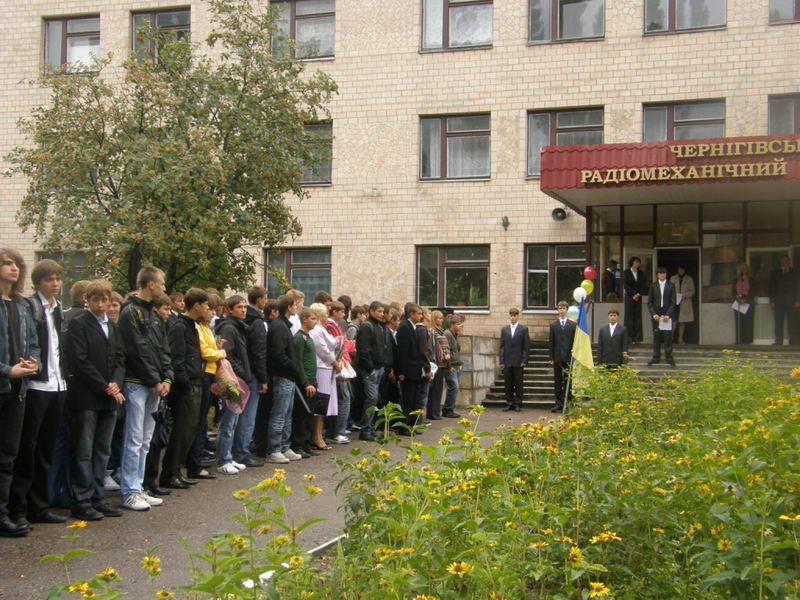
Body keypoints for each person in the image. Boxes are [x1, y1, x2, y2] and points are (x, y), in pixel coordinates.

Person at [9, 259, 68, 527]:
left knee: (46, 449)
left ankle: (39, 505)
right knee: (27, 450)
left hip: (58, 385)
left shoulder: (59, 309)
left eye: (57, 278)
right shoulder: (29, 306)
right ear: (38, 283)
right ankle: (19, 508)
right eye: (49, 279)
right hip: (36, 386)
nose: (55, 284)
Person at [64, 279, 125, 521]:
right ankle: (82, 500)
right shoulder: (79, 324)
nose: (101, 305)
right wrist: (105, 386)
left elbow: (120, 358)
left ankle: (99, 498)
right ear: (87, 300)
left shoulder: (112, 326)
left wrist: (115, 382)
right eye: (96, 300)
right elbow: (80, 361)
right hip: (87, 397)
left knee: (102, 450)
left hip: (108, 397)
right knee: (84, 451)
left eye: (104, 300)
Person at [118, 267, 172, 511]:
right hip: (137, 383)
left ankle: (139, 487)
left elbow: (163, 348)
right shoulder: (130, 312)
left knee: (146, 440)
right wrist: (155, 379)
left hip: (155, 385)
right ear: (151, 284)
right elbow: (137, 350)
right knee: (134, 438)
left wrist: (167, 378)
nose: (164, 287)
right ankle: (129, 491)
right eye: (162, 283)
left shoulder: (154, 314)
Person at [0, 248, 40, 537]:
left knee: (8, 456)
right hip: (5, 381)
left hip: (17, 392)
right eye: (6, 263)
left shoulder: (22, 305)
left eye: (17, 264)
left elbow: (34, 343)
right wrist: (7, 370)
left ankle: (4, 514)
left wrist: (33, 362)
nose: (14, 268)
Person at [159, 289, 209, 489]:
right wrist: (186, 385)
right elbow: (177, 359)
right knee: (181, 432)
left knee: (188, 432)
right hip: (186, 387)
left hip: (195, 382)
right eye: (205, 304)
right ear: (196, 305)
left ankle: (176, 472)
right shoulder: (180, 327)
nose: (207, 308)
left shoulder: (191, 326)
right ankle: (169, 474)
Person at [187, 294, 224, 480]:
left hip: (210, 373)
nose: (213, 312)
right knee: (199, 420)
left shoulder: (207, 328)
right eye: (209, 309)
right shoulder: (198, 328)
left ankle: (198, 458)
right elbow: (205, 352)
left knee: (202, 421)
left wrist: (217, 351)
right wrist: (220, 353)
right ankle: (194, 461)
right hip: (203, 374)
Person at [215, 295, 253, 474]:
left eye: (245, 307)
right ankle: (224, 459)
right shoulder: (229, 328)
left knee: (234, 419)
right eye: (239, 307)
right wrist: (240, 373)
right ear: (230, 310)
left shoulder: (237, 327)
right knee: (228, 421)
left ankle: (229, 456)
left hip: (238, 378)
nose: (243, 310)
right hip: (232, 379)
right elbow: (226, 354)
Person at [266, 294, 303, 464]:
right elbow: (278, 354)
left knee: (287, 414)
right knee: (279, 414)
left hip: (289, 376)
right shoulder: (279, 326)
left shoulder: (284, 325)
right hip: (282, 375)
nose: (297, 307)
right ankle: (274, 449)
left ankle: (284, 446)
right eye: (294, 305)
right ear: (288, 307)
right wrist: (294, 367)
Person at [308, 303, 342, 448]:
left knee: (324, 404)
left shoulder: (321, 329)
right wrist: (335, 362)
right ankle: (316, 436)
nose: (327, 316)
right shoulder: (316, 330)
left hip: (327, 368)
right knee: (320, 404)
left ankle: (318, 435)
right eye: (325, 314)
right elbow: (322, 350)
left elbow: (332, 344)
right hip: (322, 367)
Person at [355, 301, 386, 441]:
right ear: (372, 311)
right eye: (379, 311)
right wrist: (371, 368)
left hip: (379, 368)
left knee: (374, 400)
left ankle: (370, 427)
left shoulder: (378, 326)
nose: (382, 314)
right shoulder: (367, 326)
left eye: (383, 311)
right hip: (370, 370)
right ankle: (365, 429)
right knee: (371, 399)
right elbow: (364, 350)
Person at [394, 303, 423, 434]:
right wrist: (401, 371)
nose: (421, 316)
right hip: (408, 370)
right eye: (419, 314)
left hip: (414, 370)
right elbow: (402, 351)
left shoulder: (412, 326)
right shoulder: (404, 327)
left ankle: (411, 424)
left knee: (413, 400)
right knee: (407, 400)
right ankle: (404, 426)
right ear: (411, 314)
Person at [500, 307, 529, 413]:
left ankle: (518, 403)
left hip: (518, 361)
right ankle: (509, 403)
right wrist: (502, 361)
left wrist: (524, 360)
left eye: (514, 315)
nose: (512, 317)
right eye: (511, 315)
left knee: (518, 384)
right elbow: (502, 347)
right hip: (507, 361)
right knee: (508, 384)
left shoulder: (523, 329)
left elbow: (526, 346)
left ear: (518, 316)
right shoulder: (504, 329)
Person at [547, 302, 574, 413]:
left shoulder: (572, 325)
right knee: (557, 381)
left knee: (568, 381)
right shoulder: (554, 325)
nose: (562, 310)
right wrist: (551, 357)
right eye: (560, 308)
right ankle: (558, 403)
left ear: (567, 310)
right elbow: (551, 342)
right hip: (557, 357)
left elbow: (574, 341)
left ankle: (568, 403)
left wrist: (574, 355)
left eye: (564, 308)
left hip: (568, 357)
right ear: (558, 310)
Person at [647, 267, 677, 366]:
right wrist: (653, 314)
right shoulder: (653, 286)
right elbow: (649, 302)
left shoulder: (671, 285)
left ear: (666, 274)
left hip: (667, 315)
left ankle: (669, 357)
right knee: (656, 337)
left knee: (668, 337)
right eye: (660, 273)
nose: (662, 275)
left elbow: (673, 302)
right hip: (656, 315)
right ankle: (656, 357)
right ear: (657, 275)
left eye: (664, 273)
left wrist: (668, 314)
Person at [769, 255, 798, 345]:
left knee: (792, 322)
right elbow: (771, 287)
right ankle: (778, 341)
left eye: (787, 260)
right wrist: (772, 300)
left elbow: (798, 287)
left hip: (792, 302)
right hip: (778, 302)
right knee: (778, 322)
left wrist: (798, 300)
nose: (785, 262)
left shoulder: (795, 272)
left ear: (790, 261)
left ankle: (793, 341)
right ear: (780, 262)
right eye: (783, 260)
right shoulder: (775, 272)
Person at [426, 310, 450, 421]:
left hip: (442, 364)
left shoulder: (440, 332)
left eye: (442, 318)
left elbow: (445, 347)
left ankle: (435, 412)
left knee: (438, 389)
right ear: (434, 319)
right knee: (434, 390)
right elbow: (433, 348)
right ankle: (432, 413)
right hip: (436, 364)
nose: (441, 320)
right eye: (439, 318)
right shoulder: (433, 332)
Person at [442, 314, 463, 419]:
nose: (460, 326)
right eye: (458, 324)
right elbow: (446, 351)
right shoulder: (447, 334)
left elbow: (456, 350)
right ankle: (448, 409)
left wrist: (460, 364)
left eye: (460, 324)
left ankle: (449, 409)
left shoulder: (455, 334)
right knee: (454, 387)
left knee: (454, 388)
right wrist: (449, 366)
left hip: (457, 365)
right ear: (452, 324)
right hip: (451, 366)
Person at [623, 257, 647, 343]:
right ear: (632, 262)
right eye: (636, 262)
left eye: (639, 262)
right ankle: (629, 338)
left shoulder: (641, 273)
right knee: (629, 317)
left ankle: (637, 338)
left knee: (638, 317)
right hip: (629, 297)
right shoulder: (626, 272)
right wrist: (633, 294)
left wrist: (638, 294)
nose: (638, 264)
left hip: (638, 297)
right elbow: (625, 285)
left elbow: (643, 285)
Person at [669, 266, 695, 344]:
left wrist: (683, 295)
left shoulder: (689, 279)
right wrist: (674, 296)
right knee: (673, 320)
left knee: (682, 321)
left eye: (683, 269)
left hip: (684, 302)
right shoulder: (673, 278)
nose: (681, 271)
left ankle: (680, 339)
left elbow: (692, 291)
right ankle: (670, 337)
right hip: (674, 302)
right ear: (677, 270)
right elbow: (669, 289)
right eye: (680, 269)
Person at [732, 263, 756, 345]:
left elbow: (754, 291)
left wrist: (746, 299)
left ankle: (747, 340)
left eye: (744, 268)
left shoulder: (751, 279)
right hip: (738, 301)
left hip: (748, 301)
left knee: (747, 321)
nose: (743, 270)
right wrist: (738, 299)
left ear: (747, 269)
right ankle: (739, 340)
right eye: (741, 268)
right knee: (739, 321)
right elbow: (733, 291)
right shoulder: (736, 279)